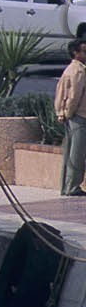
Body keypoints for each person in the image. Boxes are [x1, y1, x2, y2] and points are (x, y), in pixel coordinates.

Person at [57, 39, 86, 196]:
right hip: (79, 116)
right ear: (76, 53)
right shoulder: (78, 71)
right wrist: (68, 113)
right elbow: (74, 95)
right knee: (76, 154)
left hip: (73, 116)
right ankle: (72, 187)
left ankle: (67, 187)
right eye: (84, 51)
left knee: (70, 153)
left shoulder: (71, 69)